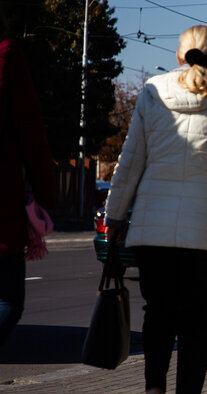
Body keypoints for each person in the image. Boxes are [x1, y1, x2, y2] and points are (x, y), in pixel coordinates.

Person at [105, 25, 207, 393]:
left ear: (179, 55)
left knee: (157, 316)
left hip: (153, 232)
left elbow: (131, 162)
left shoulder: (152, 92)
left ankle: (154, 388)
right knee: (198, 326)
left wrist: (115, 214)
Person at [0, 18, 57, 347]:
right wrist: (46, 197)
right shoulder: (7, 55)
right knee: (7, 301)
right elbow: (31, 132)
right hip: (2, 205)